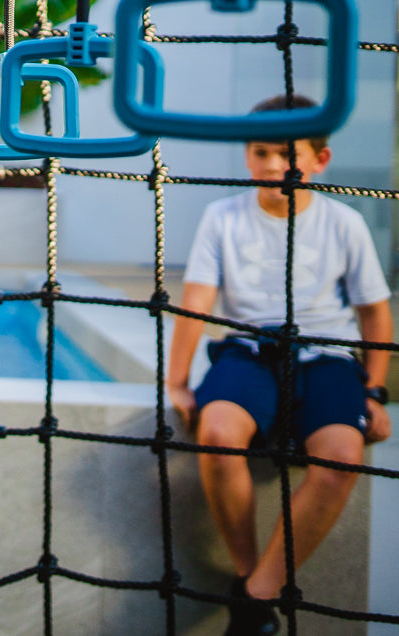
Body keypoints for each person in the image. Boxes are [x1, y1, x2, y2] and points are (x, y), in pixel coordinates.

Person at [166, 94, 393, 636]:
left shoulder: (345, 222)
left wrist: (375, 390)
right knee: (217, 436)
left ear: (320, 160)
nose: (273, 165)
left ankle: (254, 596)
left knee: (342, 455)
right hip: (249, 349)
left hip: (326, 355)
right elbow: (195, 302)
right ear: (247, 157)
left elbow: (375, 316)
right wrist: (177, 381)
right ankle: (253, 580)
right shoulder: (221, 216)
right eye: (261, 152)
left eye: (287, 154)